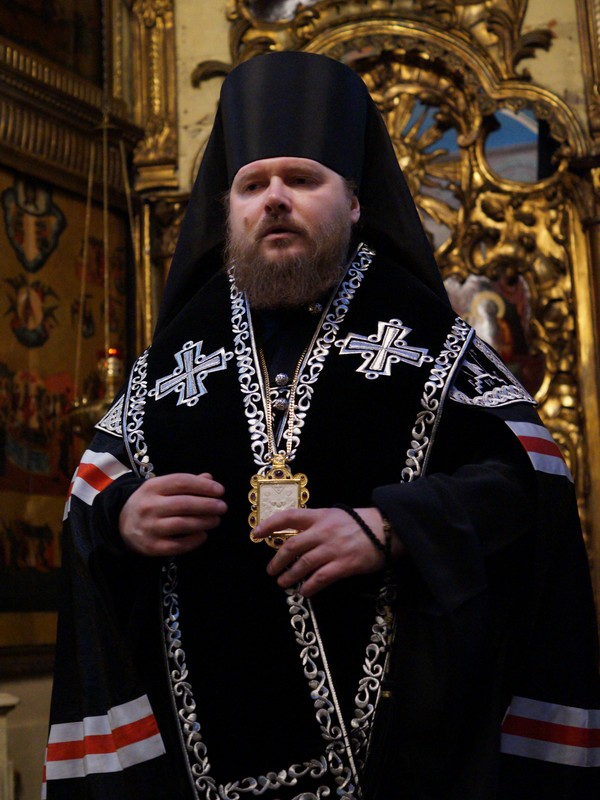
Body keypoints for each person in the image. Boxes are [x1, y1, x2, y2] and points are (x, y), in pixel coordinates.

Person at [45, 52, 600, 799]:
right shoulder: (172, 359)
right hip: (203, 776)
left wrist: (389, 526)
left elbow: (530, 485)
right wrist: (122, 516)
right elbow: (89, 498)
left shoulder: (428, 339)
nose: (274, 199)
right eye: (252, 185)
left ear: (355, 202)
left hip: (404, 768)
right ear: (229, 210)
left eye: (301, 180)